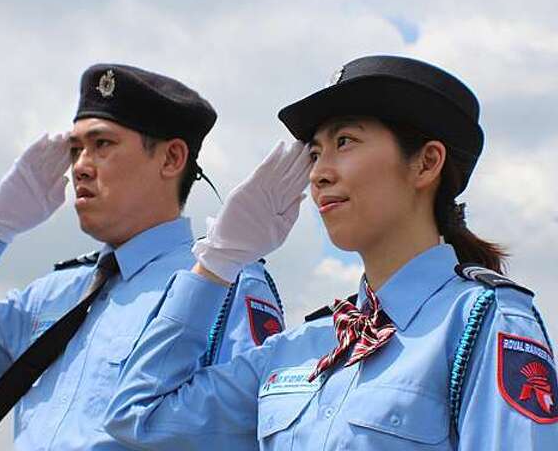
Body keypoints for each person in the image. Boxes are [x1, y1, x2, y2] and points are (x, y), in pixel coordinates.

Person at [103, 55, 558, 450]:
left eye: (345, 142)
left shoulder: (482, 324)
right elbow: (139, 417)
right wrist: (218, 261)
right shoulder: (306, 347)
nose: (318, 174)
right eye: (315, 153)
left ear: (426, 163)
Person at [0, 64, 284, 450]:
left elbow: (253, 423)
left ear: (171, 158)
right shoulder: (54, 294)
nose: (79, 166)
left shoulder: (222, 284)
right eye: (75, 150)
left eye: (102, 145)